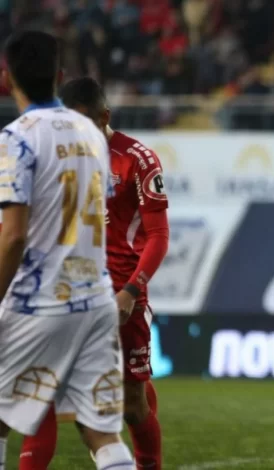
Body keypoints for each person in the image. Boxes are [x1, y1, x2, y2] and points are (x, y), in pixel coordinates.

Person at [19, 77, 170, 469]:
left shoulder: (137, 159)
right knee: (42, 399)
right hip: (66, 293)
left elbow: (158, 235)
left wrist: (132, 291)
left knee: (133, 405)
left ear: (105, 116)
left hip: (122, 297)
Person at [0, 31, 134, 469]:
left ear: (7, 79)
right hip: (95, 300)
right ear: (59, 76)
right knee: (102, 433)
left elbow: (13, 236)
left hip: (39, 301)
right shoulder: (91, 135)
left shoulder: (16, 138)